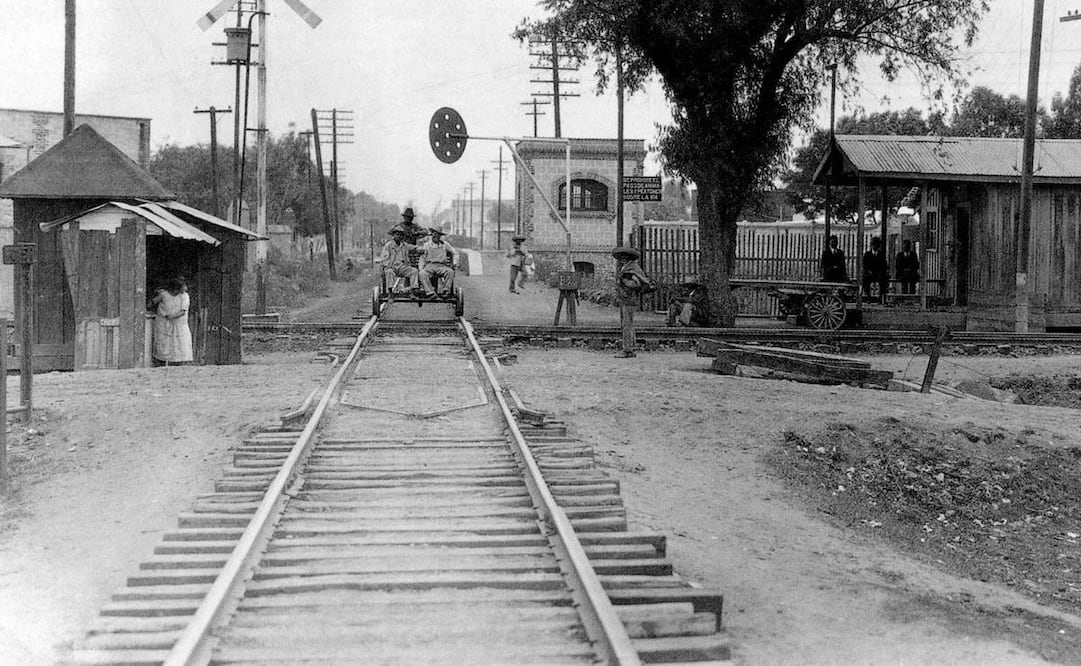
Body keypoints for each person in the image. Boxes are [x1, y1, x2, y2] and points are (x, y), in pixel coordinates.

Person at [613, 246, 653, 358]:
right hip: (625, 299)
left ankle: (627, 350)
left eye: (625, 256)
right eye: (621, 256)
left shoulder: (632, 268)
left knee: (627, 324)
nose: (622, 258)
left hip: (629, 299)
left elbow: (636, 284)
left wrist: (624, 281)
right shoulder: (627, 267)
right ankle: (631, 348)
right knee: (627, 323)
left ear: (629, 257)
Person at [151, 277, 193, 366]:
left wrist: (171, 316)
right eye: (183, 286)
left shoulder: (184, 296)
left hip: (179, 324)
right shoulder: (164, 295)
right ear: (176, 288)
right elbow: (152, 302)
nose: (185, 288)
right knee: (164, 346)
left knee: (179, 346)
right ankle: (161, 364)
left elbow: (182, 311)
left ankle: (178, 365)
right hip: (164, 325)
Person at [418, 227, 459, 297]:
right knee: (422, 274)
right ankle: (430, 292)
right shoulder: (427, 245)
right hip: (429, 266)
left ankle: (446, 291)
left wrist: (455, 263)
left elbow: (455, 253)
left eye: (437, 234)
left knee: (450, 272)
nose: (435, 236)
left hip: (441, 266)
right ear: (432, 235)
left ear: (440, 236)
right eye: (434, 234)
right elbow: (422, 258)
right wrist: (421, 268)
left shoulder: (445, 245)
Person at [377, 226, 420, 292]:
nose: (399, 236)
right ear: (393, 236)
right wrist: (388, 266)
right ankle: (390, 292)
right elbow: (384, 258)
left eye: (401, 235)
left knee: (414, 271)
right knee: (389, 272)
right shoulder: (388, 246)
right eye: (397, 234)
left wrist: (419, 248)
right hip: (392, 267)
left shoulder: (404, 245)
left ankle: (413, 290)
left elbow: (413, 247)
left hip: (402, 267)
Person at [862, 236, 889, 302]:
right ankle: (868, 296)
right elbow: (865, 265)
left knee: (884, 279)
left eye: (877, 245)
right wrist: (868, 271)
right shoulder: (867, 254)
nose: (875, 246)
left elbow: (884, 265)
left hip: (878, 273)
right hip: (869, 273)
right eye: (874, 244)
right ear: (871, 245)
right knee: (865, 279)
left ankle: (881, 296)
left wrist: (880, 271)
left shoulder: (881, 254)